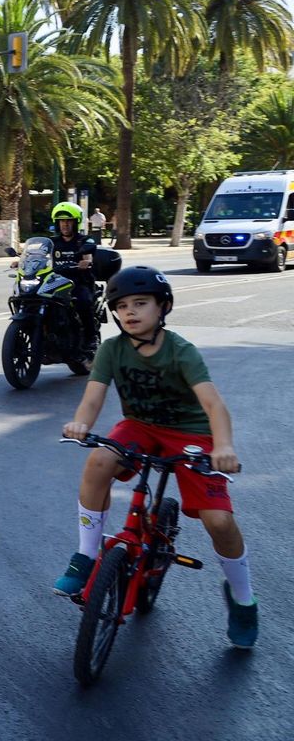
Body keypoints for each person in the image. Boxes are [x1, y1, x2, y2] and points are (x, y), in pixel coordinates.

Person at [55, 267, 257, 648]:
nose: (130, 312)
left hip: (192, 434)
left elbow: (213, 404)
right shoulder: (112, 349)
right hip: (140, 427)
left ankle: (243, 598)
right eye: (122, 306)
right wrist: (80, 424)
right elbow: (94, 396)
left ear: (163, 306)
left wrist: (224, 447)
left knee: (220, 521)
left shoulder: (180, 351)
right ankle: (84, 556)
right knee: (98, 461)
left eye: (141, 303)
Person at [45, 201, 98, 348]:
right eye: (62, 221)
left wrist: (86, 262)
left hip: (79, 281)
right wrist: (23, 261)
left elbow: (89, 254)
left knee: (83, 301)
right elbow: (39, 253)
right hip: (56, 282)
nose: (65, 224)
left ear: (76, 223)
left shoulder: (84, 240)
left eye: (69, 221)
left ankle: (91, 337)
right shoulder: (52, 242)